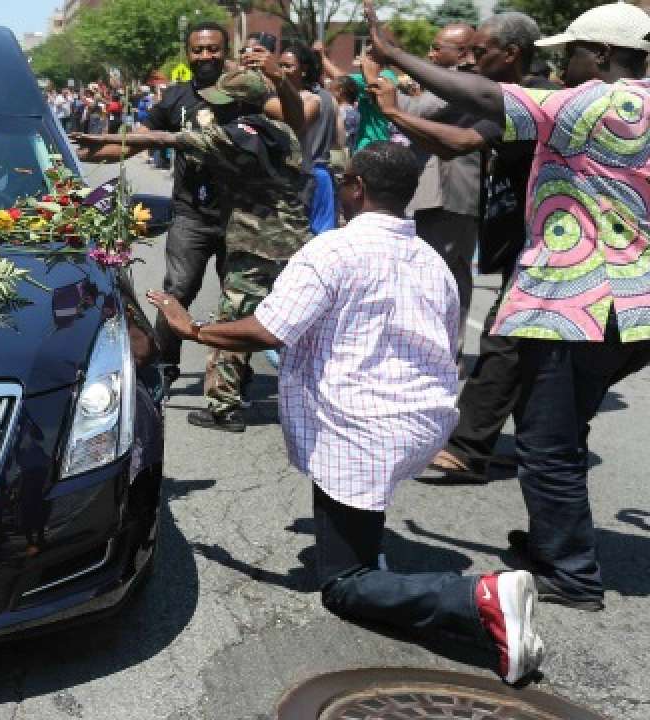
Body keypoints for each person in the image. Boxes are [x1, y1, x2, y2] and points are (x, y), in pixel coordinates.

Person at [149, 141, 545, 685]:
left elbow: (267, 330)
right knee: (353, 504)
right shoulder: (431, 257)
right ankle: (367, 548)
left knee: (343, 586)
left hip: (361, 426)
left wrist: (189, 327)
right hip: (422, 419)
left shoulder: (330, 252)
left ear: (355, 187)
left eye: (341, 178)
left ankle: (476, 598)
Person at [363, 0, 650, 613]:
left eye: (568, 54)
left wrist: (392, 53)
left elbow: (490, 99)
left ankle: (572, 576)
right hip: (632, 305)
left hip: (581, 303)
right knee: (564, 428)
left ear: (599, 54)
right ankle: (554, 541)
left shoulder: (600, 100)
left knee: (547, 442)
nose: (562, 67)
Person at [362, 12, 549, 483]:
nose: (471, 58)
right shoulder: (497, 99)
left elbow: (459, 138)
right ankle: (538, 449)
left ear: (511, 54)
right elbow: (454, 144)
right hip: (519, 237)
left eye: (479, 50)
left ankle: (468, 447)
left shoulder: (539, 93)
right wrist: (394, 105)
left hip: (551, 243)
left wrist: (394, 102)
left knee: (504, 339)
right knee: (533, 352)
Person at [75, 66, 311, 432]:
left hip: (255, 246)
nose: (214, 109)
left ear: (238, 105)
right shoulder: (283, 133)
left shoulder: (228, 137)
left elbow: (164, 139)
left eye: (221, 103)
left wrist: (103, 141)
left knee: (233, 322)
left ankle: (223, 407)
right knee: (297, 319)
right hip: (296, 241)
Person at [386, 23, 484, 357]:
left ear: (463, 53)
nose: (430, 54)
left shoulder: (463, 81)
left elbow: (413, 112)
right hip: (442, 190)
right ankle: (442, 350)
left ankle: (440, 353)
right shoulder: (454, 80)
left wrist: (384, 83)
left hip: (452, 191)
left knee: (442, 275)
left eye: (437, 47)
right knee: (446, 275)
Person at [277, 43, 339, 235]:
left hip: (307, 176)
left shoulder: (308, 100)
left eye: (288, 66)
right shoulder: (329, 98)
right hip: (317, 174)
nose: (282, 71)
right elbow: (339, 140)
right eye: (280, 65)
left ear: (303, 70)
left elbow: (298, 125)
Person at [317, 41, 399, 151]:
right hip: (363, 145)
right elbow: (342, 79)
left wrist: (321, 56)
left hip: (377, 145)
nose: (364, 56)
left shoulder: (387, 76)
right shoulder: (363, 78)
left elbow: (343, 79)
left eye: (369, 54)